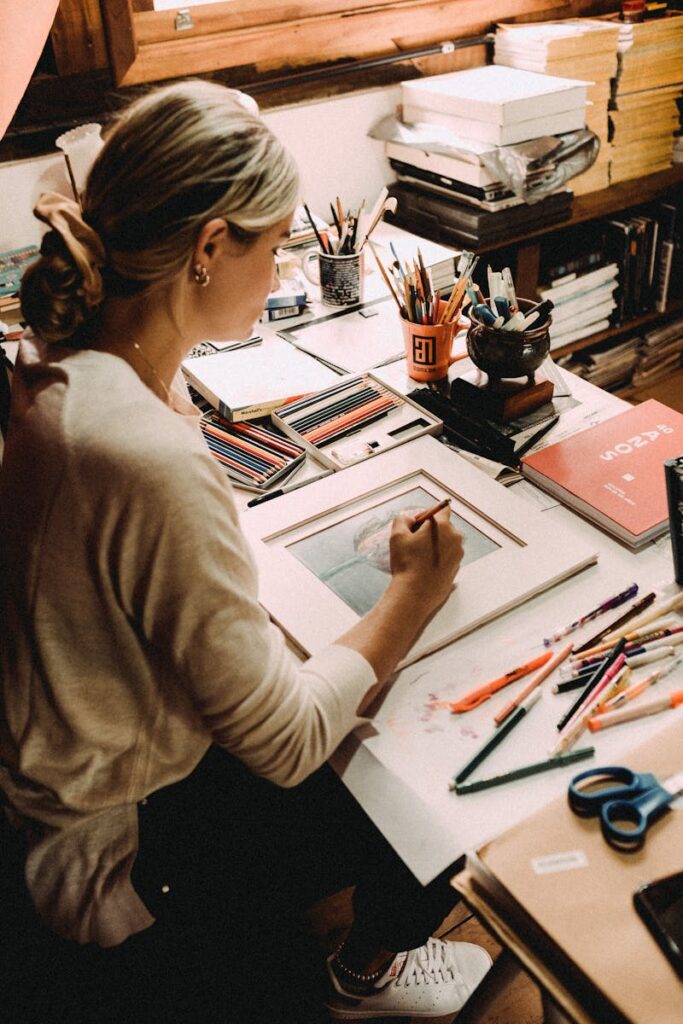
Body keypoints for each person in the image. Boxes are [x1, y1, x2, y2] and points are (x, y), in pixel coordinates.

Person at [0, 80, 491, 1023]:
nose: (282, 271)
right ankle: (367, 972)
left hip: (68, 778)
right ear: (211, 247)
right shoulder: (142, 452)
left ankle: (357, 965)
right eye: (276, 246)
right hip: (118, 852)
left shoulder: (61, 361)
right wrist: (412, 595)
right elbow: (287, 742)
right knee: (433, 753)